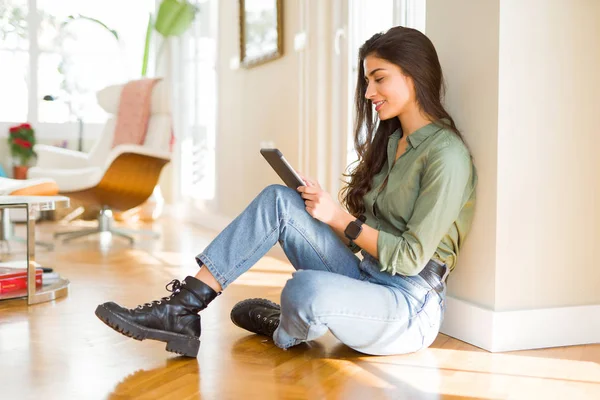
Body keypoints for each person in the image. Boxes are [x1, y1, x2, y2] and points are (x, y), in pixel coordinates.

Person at [95, 26, 477, 358]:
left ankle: (289, 326)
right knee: (280, 199)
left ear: (414, 75)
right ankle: (182, 310)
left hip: (409, 305)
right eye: (366, 82)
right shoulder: (392, 141)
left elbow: (410, 259)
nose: (368, 93)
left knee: (305, 289)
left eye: (379, 79)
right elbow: (362, 241)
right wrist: (318, 213)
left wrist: (338, 218)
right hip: (365, 274)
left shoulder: (447, 155)